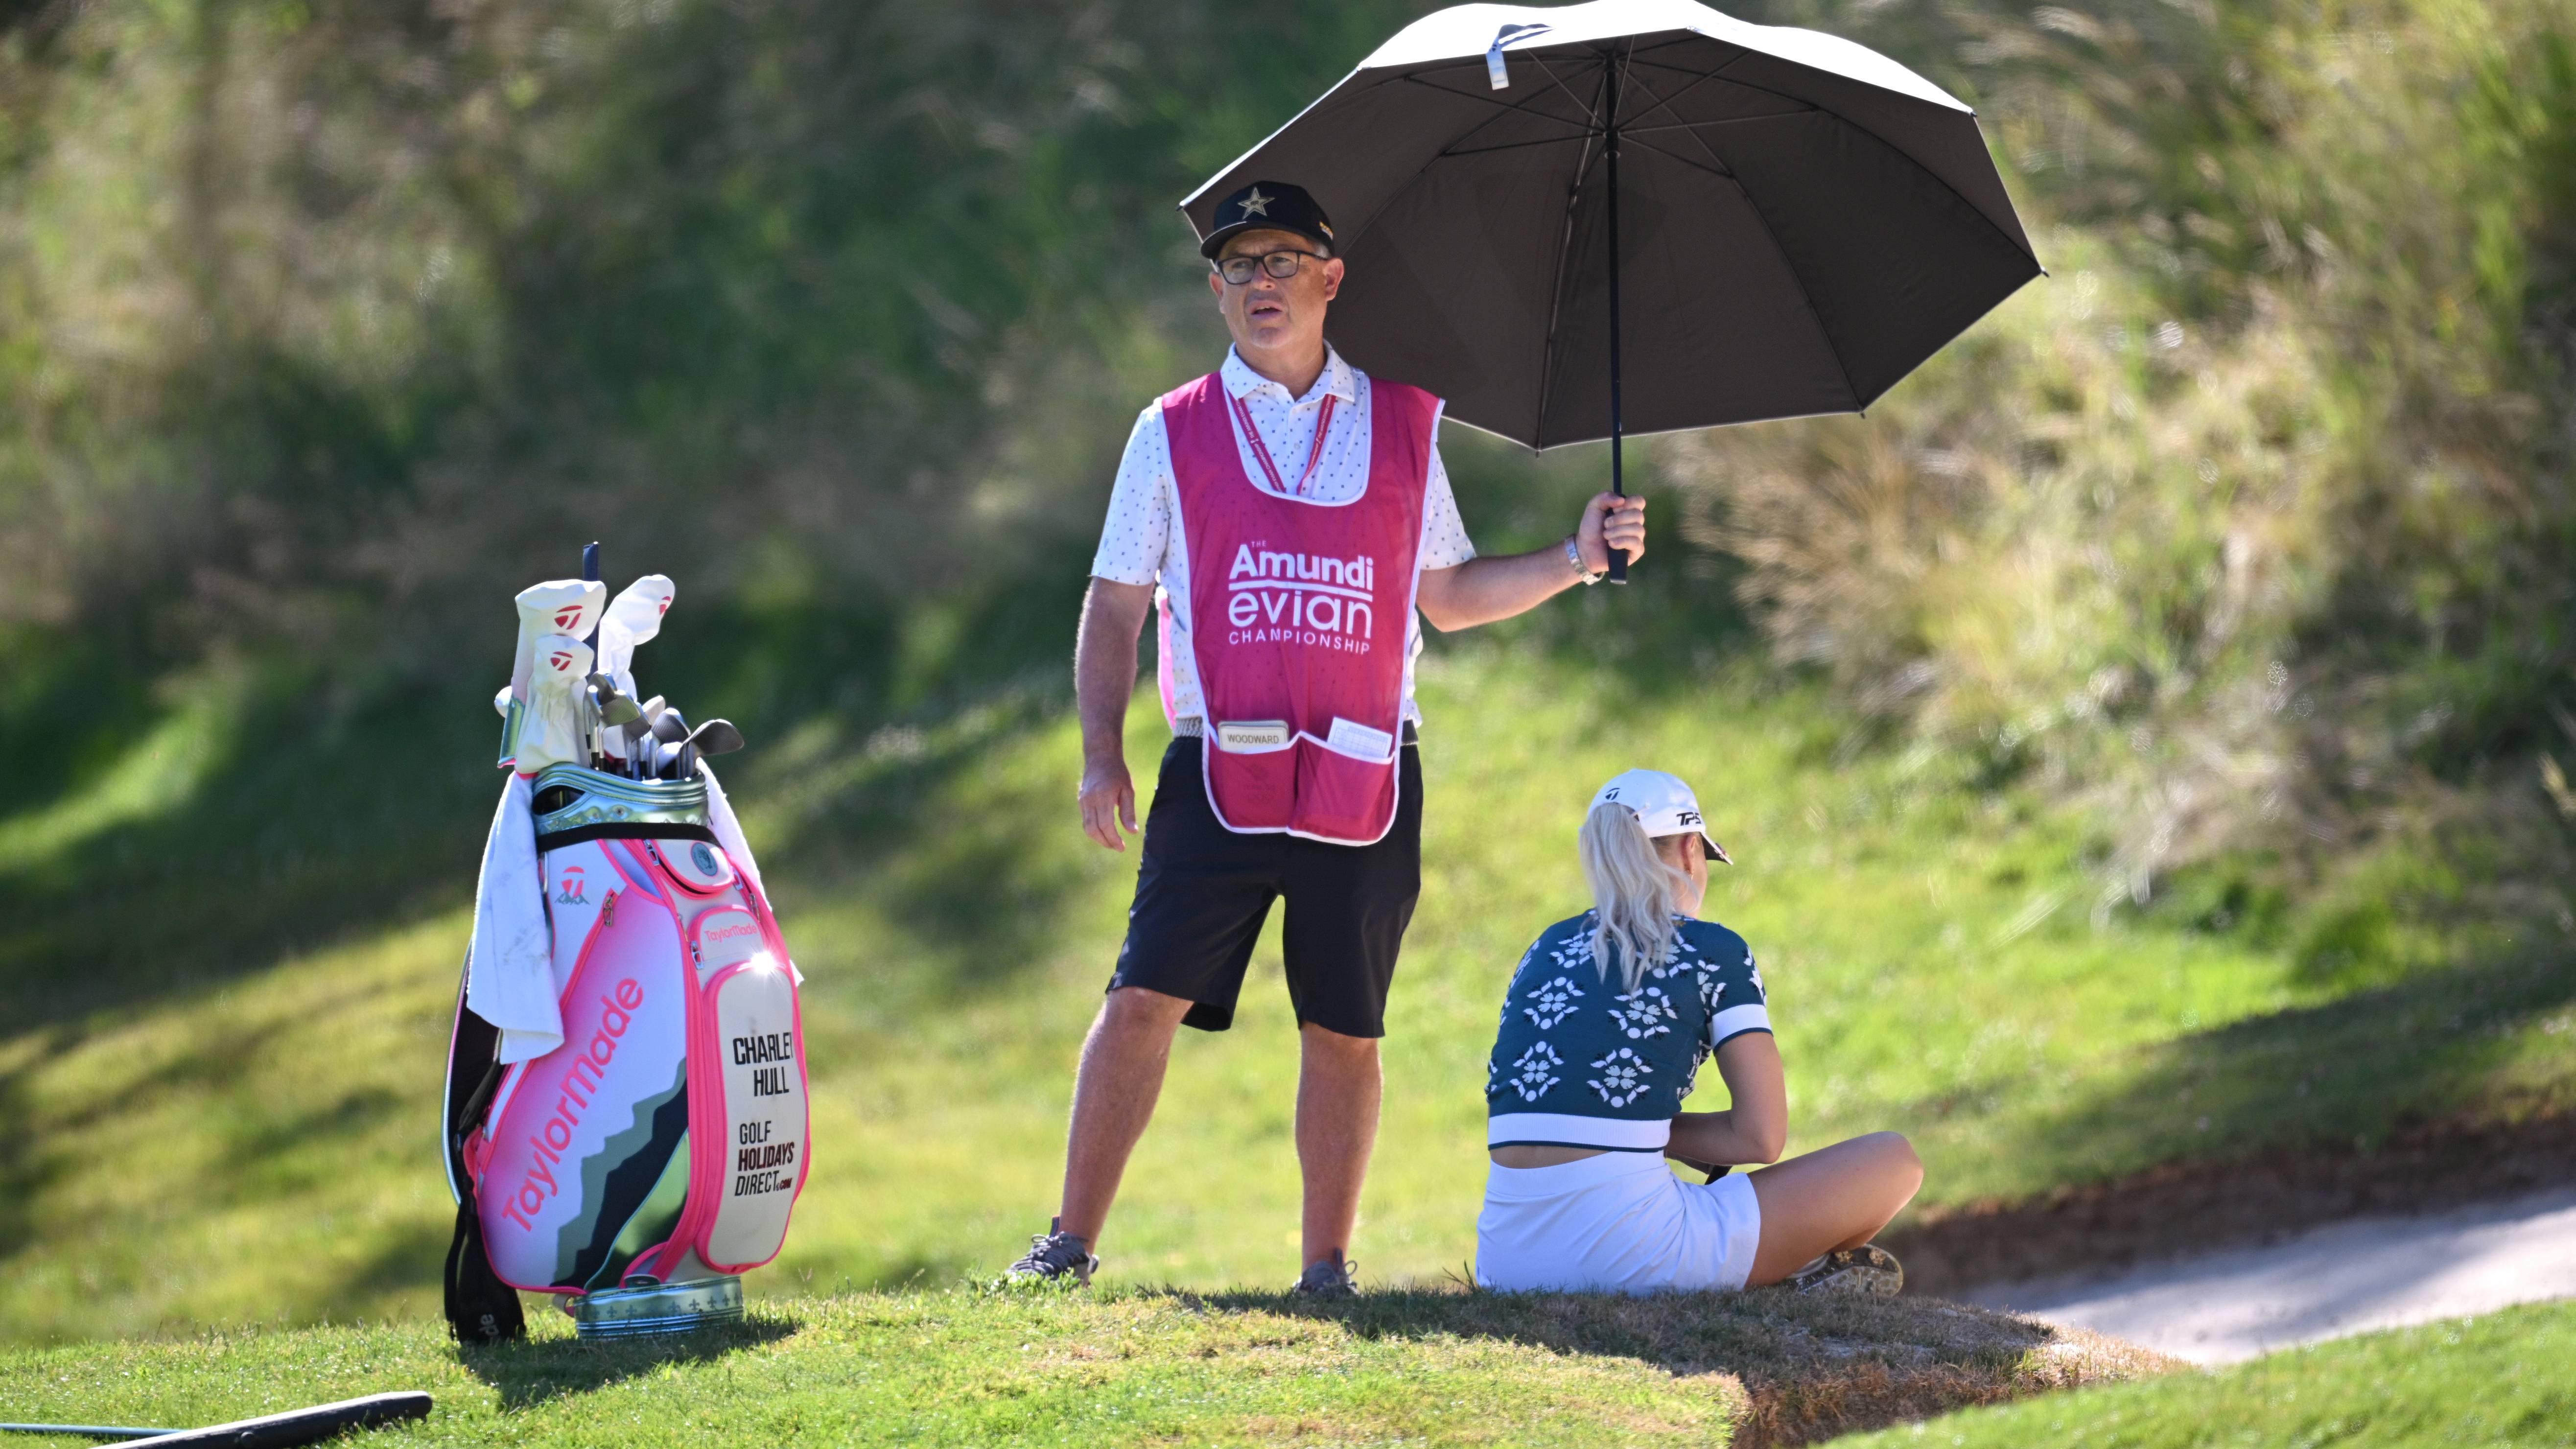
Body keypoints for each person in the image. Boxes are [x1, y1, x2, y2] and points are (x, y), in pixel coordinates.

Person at [1006, 180, 1650, 1294]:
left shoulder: (1402, 423)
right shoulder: (1170, 430)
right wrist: (1101, 751)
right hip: (1217, 762)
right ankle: (1066, 1244)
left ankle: (1325, 1269)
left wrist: (1575, 557)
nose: (1261, 283)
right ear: (1214, 291)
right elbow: (1114, 604)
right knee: (1141, 996)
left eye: (1283, 260)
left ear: (1330, 278)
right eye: (1238, 265)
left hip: (1366, 769)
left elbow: (1447, 594)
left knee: (1344, 1025)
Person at [1476, 769, 1922, 1295]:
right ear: (1691, 851)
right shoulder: (1712, 950)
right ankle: (1786, 1276)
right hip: (1636, 1256)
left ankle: (1785, 1272)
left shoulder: (1544, 948)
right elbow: (1761, 1137)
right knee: (1895, 1160)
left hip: (1503, 1264)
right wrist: (1664, 1133)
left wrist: (1641, 1130)